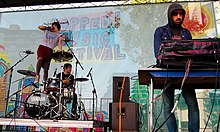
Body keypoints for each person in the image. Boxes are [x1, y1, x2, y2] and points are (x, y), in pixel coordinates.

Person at [154, 3, 200, 132]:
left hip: (185, 73)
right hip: (167, 73)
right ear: (170, 15)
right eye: (175, 14)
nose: (179, 17)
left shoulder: (186, 33)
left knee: (192, 104)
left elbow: (191, 53)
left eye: (181, 14)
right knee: (168, 107)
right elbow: (158, 54)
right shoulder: (160, 31)